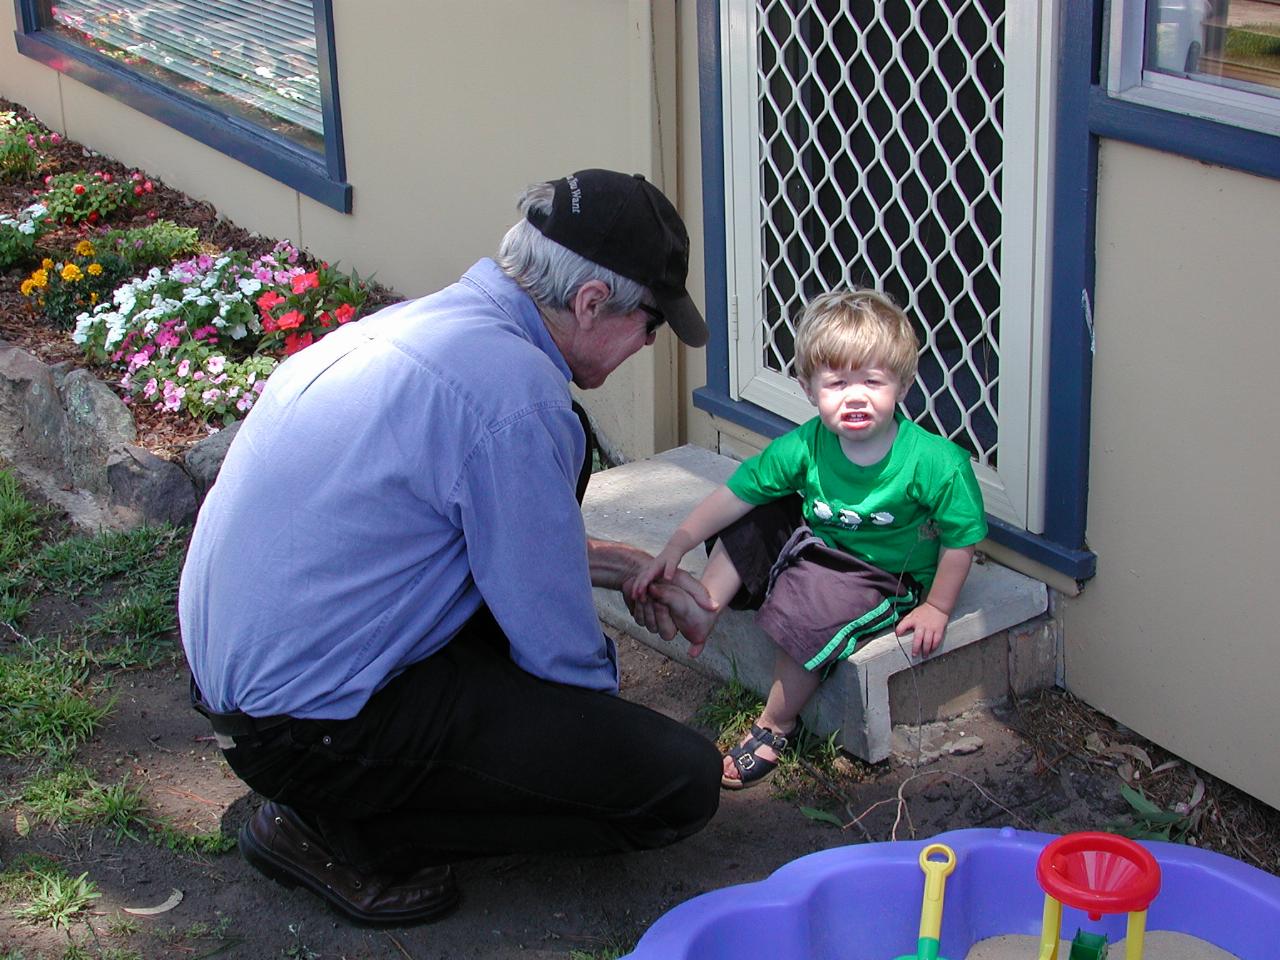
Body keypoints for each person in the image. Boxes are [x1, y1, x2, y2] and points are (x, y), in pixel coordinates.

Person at [179, 169, 725, 927]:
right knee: (678, 785)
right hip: (308, 734)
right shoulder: (519, 396)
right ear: (593, 303)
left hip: (255, 690)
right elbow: (560, 656)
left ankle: (334, 793)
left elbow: (472, 532)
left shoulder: (427, 327)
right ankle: (341, 831)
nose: (648, 343)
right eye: (651, 324)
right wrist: (596, 746)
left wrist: (621, 567)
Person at [630, 289, 988, 789]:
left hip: (880, 572)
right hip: (815, 542)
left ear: (903, 385)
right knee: (754, 515)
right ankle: (703, 607)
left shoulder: (935, 463)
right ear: (807, 387)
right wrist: (677, 544)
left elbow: (960, 539)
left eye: (872, 381)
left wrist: (939, 607)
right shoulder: (808, 444)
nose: (855, 396)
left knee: (811, 608)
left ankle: (776, 723)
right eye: (837, 382)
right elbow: (737, 492)